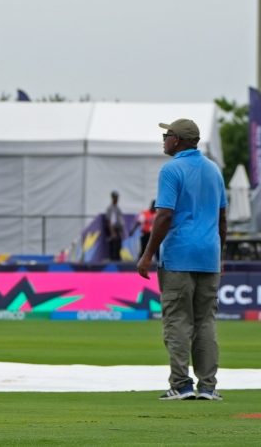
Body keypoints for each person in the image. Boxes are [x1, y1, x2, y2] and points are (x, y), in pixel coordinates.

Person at [136, 118, 227, 401]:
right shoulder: (214, 171)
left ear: (177, 140)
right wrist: (219, 253)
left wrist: (148, 254)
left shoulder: (172, 169)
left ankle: (181, 385)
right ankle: (208, 387)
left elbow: (164, 215)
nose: (164, 139)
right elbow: (222, 219)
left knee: (177, 321)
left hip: (179, 256)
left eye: (167, 135)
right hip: (209, 256)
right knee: (205, 322)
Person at [105, 191, 125, 261]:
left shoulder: (118, 208)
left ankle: (118, 259)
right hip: (112, 229)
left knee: (118, 245)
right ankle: (113, 260)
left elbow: (120, 220)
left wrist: (121, 230)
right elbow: (109, 221)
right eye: (115, 197)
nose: (117, 199)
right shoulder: (110, 208)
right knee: (113, 245)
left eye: (117, 197)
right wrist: (112, 232)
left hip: (118, 229)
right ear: (112, 198)